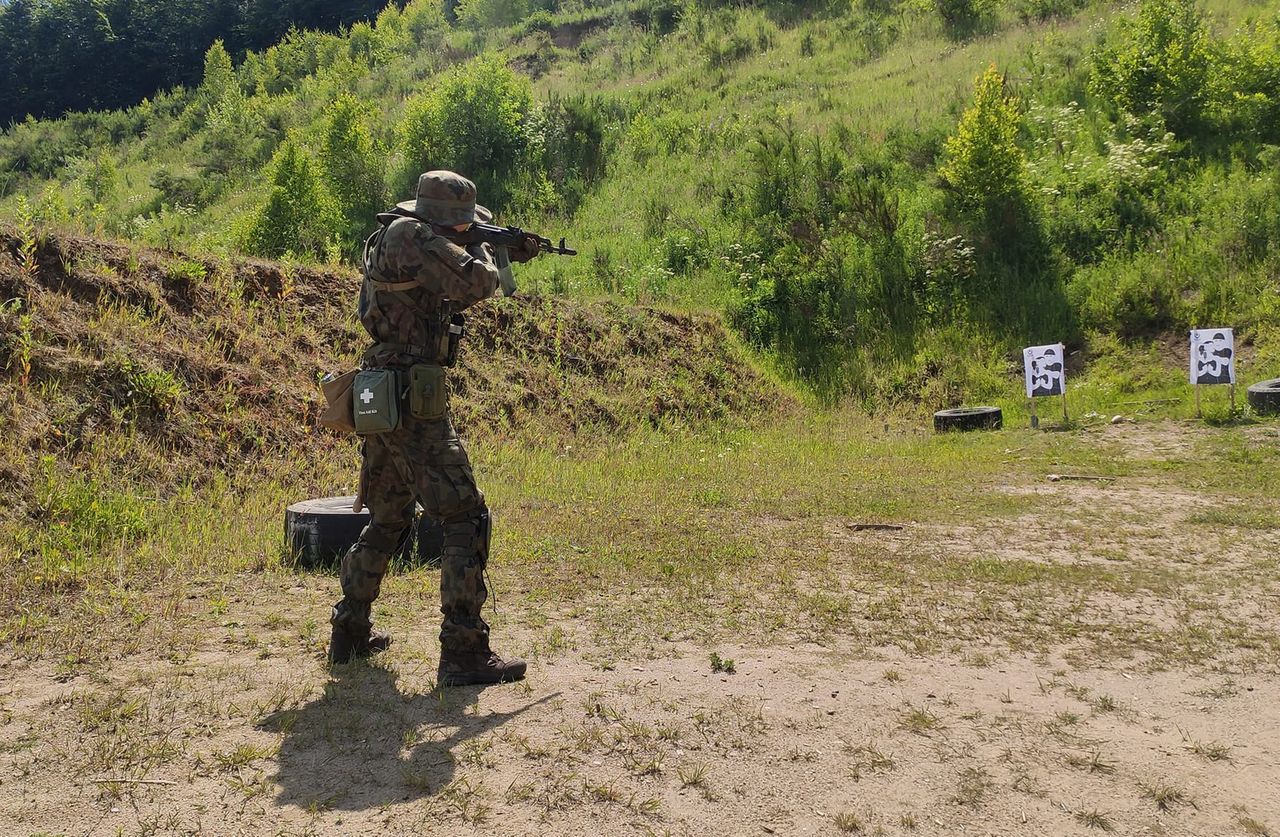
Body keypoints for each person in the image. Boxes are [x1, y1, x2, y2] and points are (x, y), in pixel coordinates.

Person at [328, 170, 539, 687]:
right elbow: (476, 283)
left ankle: (349, 630)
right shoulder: (411, 236)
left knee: (391, 516)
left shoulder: (398, 238)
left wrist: (498, 246)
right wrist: (489, 252)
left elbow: (447, 296)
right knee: (466, 515)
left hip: (384, 393)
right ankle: (463, 651)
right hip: (409, 397)